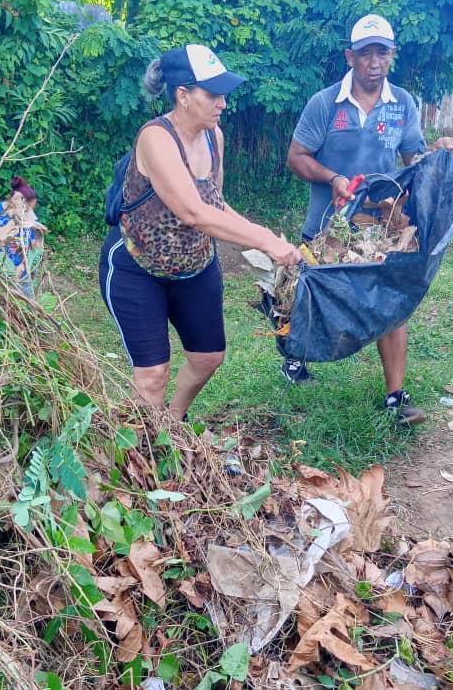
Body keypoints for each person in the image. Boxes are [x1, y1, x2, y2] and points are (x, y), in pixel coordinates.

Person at [99, 43, 303, 418]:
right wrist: (267, 242)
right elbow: (193, 212)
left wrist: (262, 233)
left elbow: (214, 204)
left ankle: (173, 424)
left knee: (208, 357)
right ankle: (143, 454)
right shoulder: (156, 138)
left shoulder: (214, 137)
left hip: (195, 266)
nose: (223, 103)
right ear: (183, 96)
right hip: (137, 268)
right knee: (153, 374)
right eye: (213, 94)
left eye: (223, 94)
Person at [284, 14, 453, 427]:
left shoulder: (402, 104)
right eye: (365, 53)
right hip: (329, 225)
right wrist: (332, 178)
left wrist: (437, 151)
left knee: (392, 306)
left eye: (382, 52)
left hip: (380, 232)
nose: (374, 61)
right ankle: (295, 358)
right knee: (310, 294)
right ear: (350, 57)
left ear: (392, 56)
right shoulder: (325, 103)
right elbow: (296, 157)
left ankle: (395, 397)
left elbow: (413, 160)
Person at [0, 176, 45, 298]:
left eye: (29, 207)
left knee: (28, 300)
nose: (26, 208)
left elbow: (31, 249)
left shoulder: (29, 219)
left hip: (18, 268)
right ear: (12, 200)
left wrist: (22, 266)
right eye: (19, 200)